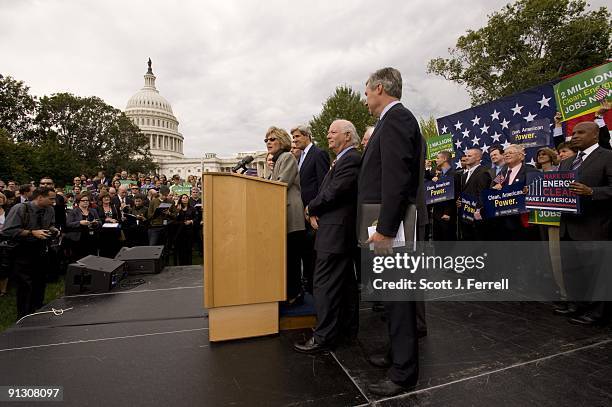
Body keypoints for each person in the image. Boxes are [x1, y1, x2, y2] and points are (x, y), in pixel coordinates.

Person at [358, 67, 425, 396]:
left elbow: (397, 179)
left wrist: (385, 229)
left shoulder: (396, 119)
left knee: (399, 299)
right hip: (387, 224)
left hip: (392, 227)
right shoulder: (390, 120)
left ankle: (403, 373)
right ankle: (397, 354)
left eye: (367, 91)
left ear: (380, 88)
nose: (365, 97)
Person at [293, 119, 361, 353]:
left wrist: (311, 208)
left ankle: (323, 336)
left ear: (348, 136)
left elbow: (334, 191)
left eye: (334, 132)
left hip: (336, 232)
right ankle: (345, 331)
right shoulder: (342, 159)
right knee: (344, 285)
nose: (329, 135)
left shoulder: (351, 159)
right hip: (335, 230)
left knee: (323, 284)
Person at [556, 122, 612, 325]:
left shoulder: (607, 156)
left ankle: (597, 312)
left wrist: (592, 192)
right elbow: (559, 190)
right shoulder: (566, 163)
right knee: (573, 270)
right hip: (568, 227)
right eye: (573, 133)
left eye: (581, 132)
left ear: (595, 135)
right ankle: (577, 304)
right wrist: (538, 192)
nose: (575, 136)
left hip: (595, 226)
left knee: (598, 273)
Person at [1, 187, 57, 318]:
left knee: (40, 282)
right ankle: (24, 315)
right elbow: (7, 231)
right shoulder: (20, 209)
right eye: (51, 198)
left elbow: (51, 225)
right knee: (25, 284)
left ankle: (38, 310)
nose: (53, 202)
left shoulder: (50, 210)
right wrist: (31, 233)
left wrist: (53, 230)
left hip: (42, 250)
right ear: (40, 197)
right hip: (23, 251)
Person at [266, 126, 306, 304]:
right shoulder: (277, 159)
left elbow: (281, 184)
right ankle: (288, 291)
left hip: (291, 216)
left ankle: (296, 293)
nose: (268, 142)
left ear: (282, 141)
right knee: (286, 257)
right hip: (281, 215)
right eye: (266, 140)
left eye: (272, 139)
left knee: (292, 257)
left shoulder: (287, 157)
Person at [291, 124, 330, 294]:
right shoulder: (300, 158)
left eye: (297, 137)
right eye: (293, 138)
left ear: (307, 136)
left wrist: (315, 211)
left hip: (313, 215)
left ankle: (317, 291)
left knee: (314, 256)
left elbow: (323, 185)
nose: (295, 140)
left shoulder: (318, 154)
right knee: (306, 253)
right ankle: (308, 286)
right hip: (302, 215)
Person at [457, 148, 492, 240]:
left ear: (478, 158)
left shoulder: (483, 173)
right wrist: (460, 201)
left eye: (469, 156)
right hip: (465, 217)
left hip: (476, 220)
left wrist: (477, 213)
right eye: (466, 155)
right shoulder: (464, 175)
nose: (466, 158)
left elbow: (482, 196)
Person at [64, 194, 101, 262]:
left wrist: (96, 223)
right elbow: (68, 224)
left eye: (87, 200)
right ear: (78, 202)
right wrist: (80, 223)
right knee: (80, 258)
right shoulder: (73, 212)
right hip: (79, 238)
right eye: (83, 200)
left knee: (92, 258)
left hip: (92, 238)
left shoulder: (93, 211)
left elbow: (100, 222)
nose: (86, 202)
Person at [430, 151, 457, 241]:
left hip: (447, 215)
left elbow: (455, 195)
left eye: (438, 158)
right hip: (436, 213)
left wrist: (448, 213)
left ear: (444, 159)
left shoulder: (454, 174)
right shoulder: (438, 175)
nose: (436, 160)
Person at [96, 191, 122, 258]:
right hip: (103, 233)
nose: (107, 198)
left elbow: (119, 218)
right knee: (104, 251)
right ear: (101, 199)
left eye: (108, 197)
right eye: (104, 197)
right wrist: (105, 219)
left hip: (114, 232)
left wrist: (116, 220)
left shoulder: (114, 207)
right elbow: (97, 219)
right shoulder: (98, 208)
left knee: (115, 251)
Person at [173, 194, 196, 265]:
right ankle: (181, 264)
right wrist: (178, 211)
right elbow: (174, 219)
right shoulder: (177, 208)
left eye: (186, 198)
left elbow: (196, 218)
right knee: (181, 249)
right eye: (183, 198)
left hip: (189, 231)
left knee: (188, 248)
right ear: (181, 199)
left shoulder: (192, 208)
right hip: (180, 231)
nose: (185, 199)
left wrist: (191, 221)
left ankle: (189, 264)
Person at [0, 192, 8, 296]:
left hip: (4, 240)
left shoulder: (8, 211)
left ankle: (3, 289)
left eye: (1, 197)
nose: (0, 199)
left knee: (3, 264)